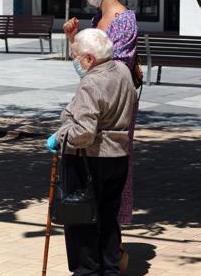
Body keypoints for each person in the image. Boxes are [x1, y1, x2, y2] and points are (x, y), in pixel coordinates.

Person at [63, 0, 138, 269]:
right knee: (93, 196)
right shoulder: (97, 18)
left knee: (103, 192)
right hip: (94, 107)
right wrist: (73, 41)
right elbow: (89, 68)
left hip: (112, 114)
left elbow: (107, 72)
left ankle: (106, 256)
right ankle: (102, 256)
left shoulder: (124, 20)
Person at [46, 28, 136, 275]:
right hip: (118, 155)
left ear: (89, 58)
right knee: (108, 219)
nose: (73, 60)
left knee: (81, 220)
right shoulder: (121, 70)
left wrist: (60, 135)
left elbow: (83, 134)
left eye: (75, 55)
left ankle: (87, 271)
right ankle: (110, 269)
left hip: (90, 160)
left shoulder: (91, 81)